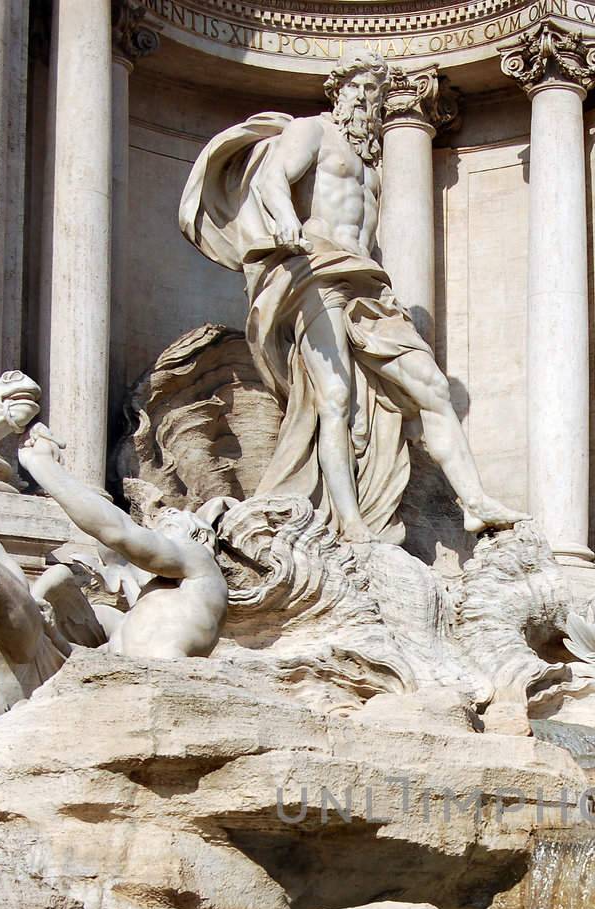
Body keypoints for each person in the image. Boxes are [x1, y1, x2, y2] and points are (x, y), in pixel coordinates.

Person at [179, 54, 523, 543]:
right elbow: (271, 178)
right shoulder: (312, 131)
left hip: (367, 282)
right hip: (318, 268)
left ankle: (474, 501)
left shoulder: (370, 160)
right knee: (335, 400)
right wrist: (285, 220)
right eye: (361, 89)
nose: (369, 101)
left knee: (433, 389)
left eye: (377, 94)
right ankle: (351, 523)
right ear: (340, 92)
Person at [17, 425, 228, 660]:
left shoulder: (199, 561)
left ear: (200, 536)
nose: (154, 529)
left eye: (169, 523)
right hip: (125, 684)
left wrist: (43, 466)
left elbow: (119, 531)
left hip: (163, 682)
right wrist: (52, 631)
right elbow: (96, 662)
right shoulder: (149, 604)